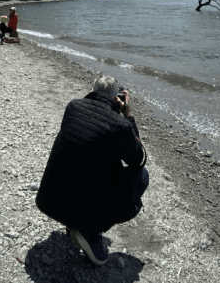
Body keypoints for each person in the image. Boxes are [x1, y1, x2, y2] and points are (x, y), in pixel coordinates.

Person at [35, 76, 149, 265]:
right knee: (142, 176)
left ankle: (76, 222)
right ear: (116, 98)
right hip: (71, 208)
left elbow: (86, 133)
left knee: (88, 162)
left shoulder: (73, 106)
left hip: (47, 201)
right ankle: (89, 231)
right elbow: (138, 161)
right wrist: (128, 116)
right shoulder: (120, 125)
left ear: (91, 91)